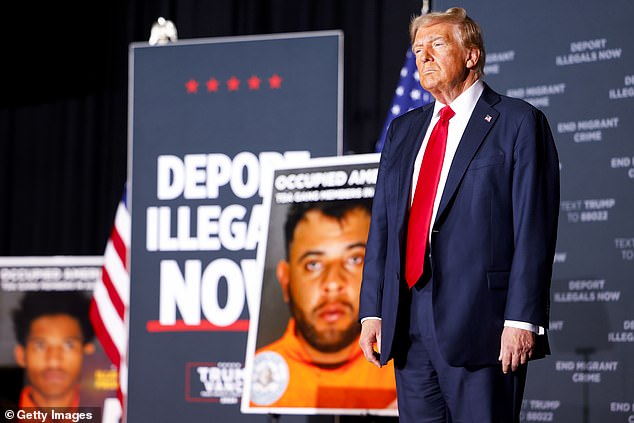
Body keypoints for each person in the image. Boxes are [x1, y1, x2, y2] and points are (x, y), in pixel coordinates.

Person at [358, 7, 560, 423]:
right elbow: (383, 225)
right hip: (407, 321)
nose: (423, 58)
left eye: (436, 45)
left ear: (472, 56)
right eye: (417, 50)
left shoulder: (518, 123)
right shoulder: (404, 130)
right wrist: (373, 309)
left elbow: (533, 230)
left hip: (482, 325)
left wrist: (522, 319)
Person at [250, 199, 397, 409]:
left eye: (354, 259)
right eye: (313, 264)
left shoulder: (410, 370)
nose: (333, 283)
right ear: (285, 279)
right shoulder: (258, 377)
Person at [12, 291, 96, 409]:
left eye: (69, 345)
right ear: (21, 355)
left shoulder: (113, 413)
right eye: (40, 346)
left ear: (87, 354)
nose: (53, 361)